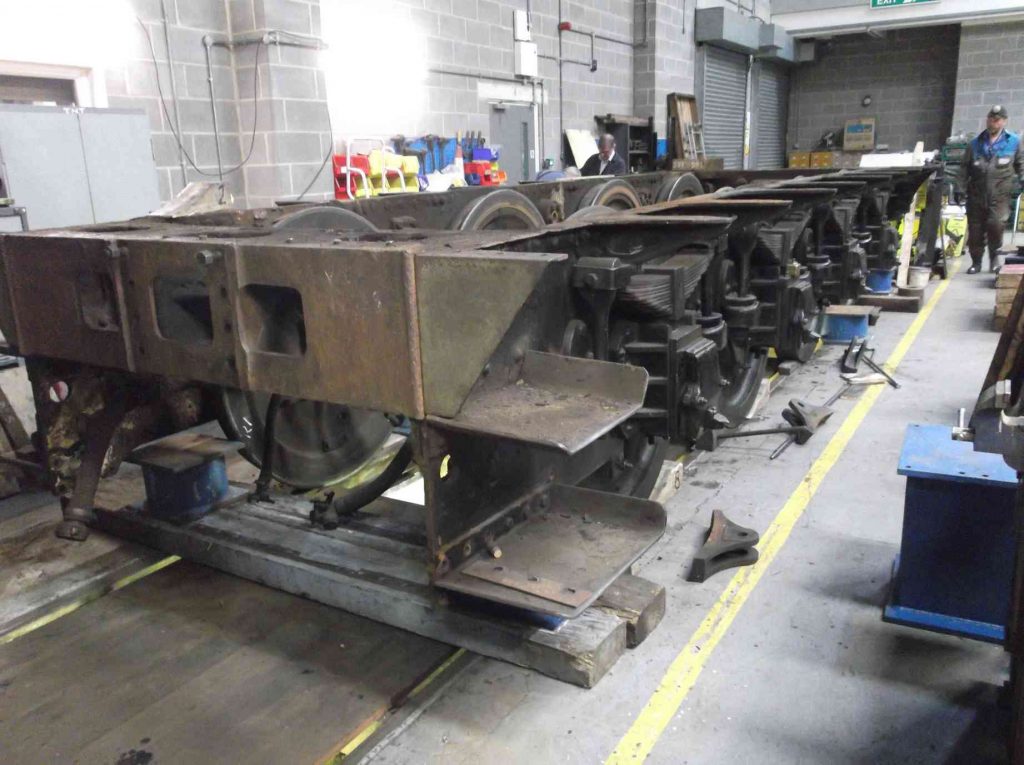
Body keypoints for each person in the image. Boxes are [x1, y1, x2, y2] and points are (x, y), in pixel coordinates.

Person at [958, 105, 1024, 274]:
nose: (993, 122)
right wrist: (959, 189)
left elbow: (1021, 165)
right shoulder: (975, 144)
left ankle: (994, 259)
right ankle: (976, 262)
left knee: (996, 225)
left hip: (1000, 194)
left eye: (997, 120)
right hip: (976, 194)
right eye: (991, 119)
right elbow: (964, 169)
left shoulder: (1014, 142)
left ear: (1004, 122)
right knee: (975, 230)